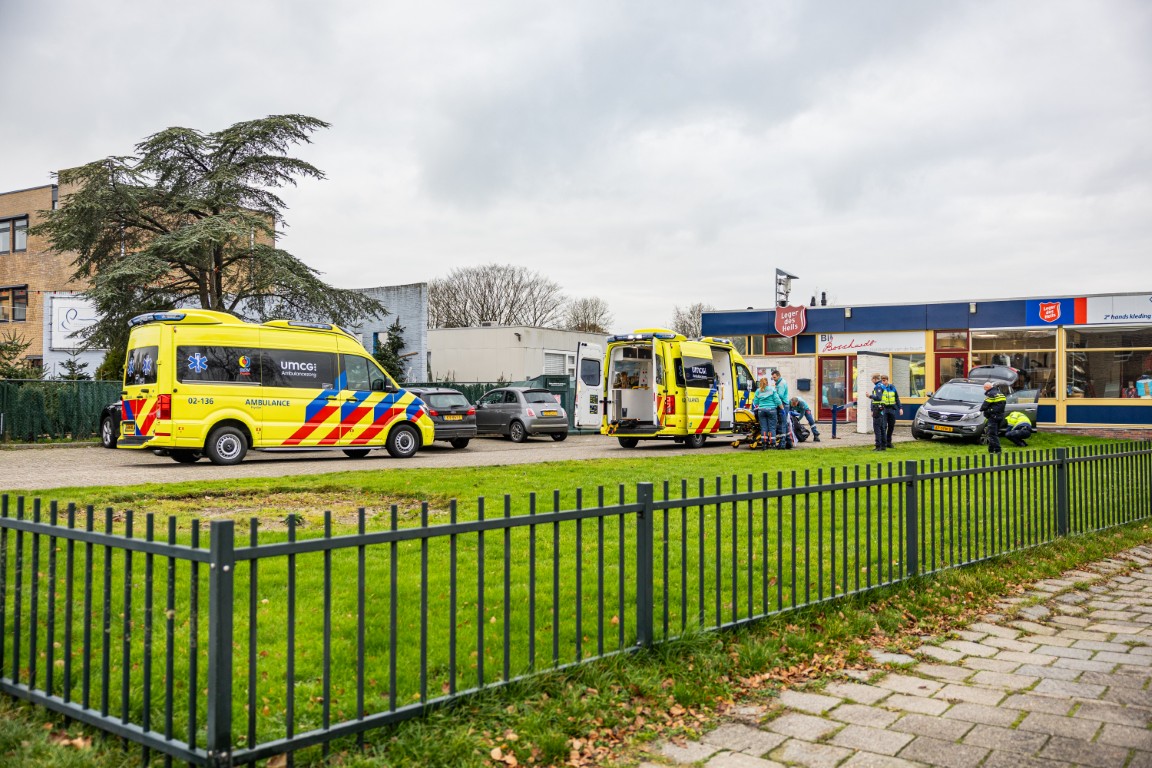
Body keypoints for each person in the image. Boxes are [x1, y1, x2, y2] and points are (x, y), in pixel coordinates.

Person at [752, 377, 781, 449]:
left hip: (761, 410)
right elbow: (777, 400)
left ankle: (764, 444)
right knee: (772, 427)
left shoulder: (758, 391)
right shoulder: (772, 389)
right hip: (771, 410)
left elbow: (755, 402)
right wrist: (782, 408)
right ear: (767, 382)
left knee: (764, 427)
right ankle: (772, 444)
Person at [979, 381, 1006, 454]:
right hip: (1000, 416)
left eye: (985, 388)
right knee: (994, 433)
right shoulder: (1000, 394)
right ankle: (991, 450)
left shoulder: (991, 394)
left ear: (987, 387)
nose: (985, 390)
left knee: (992, 434)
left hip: (993, 416)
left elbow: (985, 405)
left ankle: (998, 450)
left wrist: (982, 409)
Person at [880, 374, 903, 449]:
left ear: (887, 380)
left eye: (884, 380)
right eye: (882, 380)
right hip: (884, 409)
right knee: (884, 426)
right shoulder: (880, 388)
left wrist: (900, 408)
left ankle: (889, 442)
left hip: (892, 409)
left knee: (891, 426)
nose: (883, 382)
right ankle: (883, 443)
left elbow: (897, 399)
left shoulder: (892, 388)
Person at [770, 370, 790, 445]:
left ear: (778, 376)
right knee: (783, 423)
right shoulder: (778, 383)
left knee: (782, 423)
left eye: (774, 377)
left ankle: (782, 443)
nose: (773, 379)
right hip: (782, 404)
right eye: (773, 377)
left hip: (783, 405)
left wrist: (773, 395)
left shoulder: (781, 384)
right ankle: (788, 442)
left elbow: (780, 396)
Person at [868, 373, 887, 451]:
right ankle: (883, 445)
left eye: (872, 379)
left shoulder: (878, 387)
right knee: (882, 427)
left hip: (878, 408)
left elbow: (878, 398)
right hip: (882, 408)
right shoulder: (883, 386)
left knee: (877, 428)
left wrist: (870, 396)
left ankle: (878, 446)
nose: (871, 380)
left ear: (875, 379)